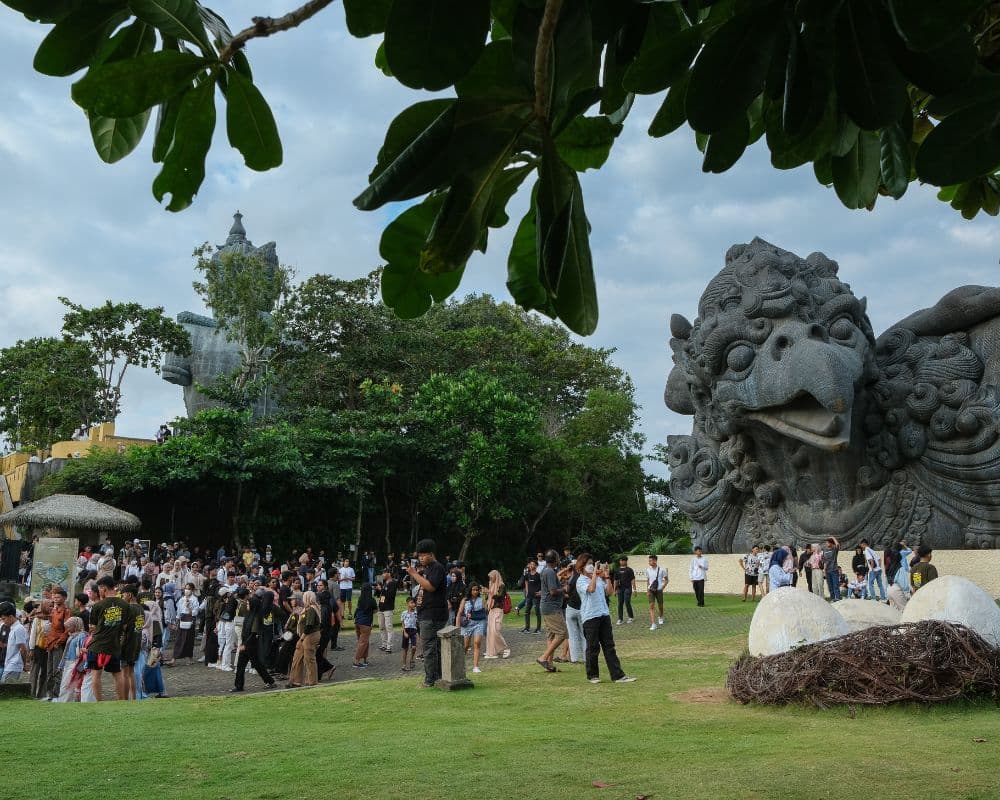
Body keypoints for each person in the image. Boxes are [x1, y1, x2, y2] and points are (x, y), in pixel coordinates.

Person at [577, 554, 635, 684]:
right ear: (582, 566)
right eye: (589, 563)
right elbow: (591, 589)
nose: (591, 565)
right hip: (590, 616)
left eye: (592, 563)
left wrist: (607, 576)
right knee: (593, 647)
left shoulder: (598, 578)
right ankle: (592, 675)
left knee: (609, 646)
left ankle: (617, 675)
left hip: (603, 614)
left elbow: (609, 592)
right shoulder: (581, 581)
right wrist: (595, 574)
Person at [405, 539, 449, 687]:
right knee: (433, 647)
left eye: (423, 555)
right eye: (419, 556)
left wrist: (414, 574)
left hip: (433, 615)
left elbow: (430, 587)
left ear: (431, 554)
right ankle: (437, 676)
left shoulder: (437, 568)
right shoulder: (428, 569)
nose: (421, 558)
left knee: (430, 648)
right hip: (426, 614)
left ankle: (430, 679)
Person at [86, 575, 135, 701]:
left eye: (99, 589)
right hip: (114, 645)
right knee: (117, 674)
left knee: (96, 674)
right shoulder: (125, 605)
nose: (99, 592)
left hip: (97, 645)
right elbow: (125, 626)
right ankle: (121, 700)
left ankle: (99, 702)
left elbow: (92, 628)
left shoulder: (98, 606)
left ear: (104, 588)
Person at [230, 587, 277, 692]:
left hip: (251, 645)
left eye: (248, 604)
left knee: (256, 665)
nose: (247, 605)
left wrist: (244, 644)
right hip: (247, 643)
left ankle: (269, 681)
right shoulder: (249, 615)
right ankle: (239, 685)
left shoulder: (255, 617)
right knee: (244, 665)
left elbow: (253, 633)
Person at [536, 549, 567, 673]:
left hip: (547, 606)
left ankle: (549, 664)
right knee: (562, 633)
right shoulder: (549, 572)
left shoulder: (546, 570)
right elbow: (553, 591)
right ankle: (543, 658)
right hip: (551, 608)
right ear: (556, 560)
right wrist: (564, 589)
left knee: (551, 635)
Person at [288, 590, 323, 687]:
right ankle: (296, 680)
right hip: (306, 635)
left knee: (309, 658)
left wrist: (301, 639)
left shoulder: (311, 609)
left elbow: (309, 626)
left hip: (309, 635)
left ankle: (312, 681)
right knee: (297, 657)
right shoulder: (307, 609)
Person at [457, 583, 487, 674]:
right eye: (473, 590)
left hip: (479, 622)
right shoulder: (465, 600)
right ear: (470, 590)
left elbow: (486, 610)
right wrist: (457, 626)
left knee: (477, 643)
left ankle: (476, 666)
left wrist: (487, 595)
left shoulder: (481, 600)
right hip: (467, 624)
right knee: (465, 646)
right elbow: (459, 613)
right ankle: (460, 664)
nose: (475, 592)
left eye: (477, 590)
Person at [55, 616, 86, 702]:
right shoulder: (71, 636)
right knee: (65, 684)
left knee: (69, 684)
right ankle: (63, 700)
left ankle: (66, 701)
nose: (67, 629)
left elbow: (82, 651)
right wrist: (61, 665)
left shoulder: (81, 636)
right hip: (68, 662)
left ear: (75, 626)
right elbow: (66, 653)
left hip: (75, 662)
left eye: (68, 627)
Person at [484, 569, 511, 660]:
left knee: (496, 631)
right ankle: (492, 651)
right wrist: (487, 593)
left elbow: (500, 597)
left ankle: (505, 648)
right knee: (490, 632)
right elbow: (488, 598)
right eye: (489, 577)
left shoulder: (501, 585)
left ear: (496, 576)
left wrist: (490, 592)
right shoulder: (491, 584)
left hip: (498, 610)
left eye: (491, 577)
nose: (490, 579)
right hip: (491, 610)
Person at [563, 557, 585, 664]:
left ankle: (574, 658)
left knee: (572, 635)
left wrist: (567, 572)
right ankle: (586, 657)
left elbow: (567, 591)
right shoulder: (584, 577)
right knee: (584, 635)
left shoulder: (572, 578)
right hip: (582, 609)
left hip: (571, 608)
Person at [0, 603, 28, 683]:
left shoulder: (18, 629)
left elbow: (23, 649)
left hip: (14, 665)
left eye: (4, 619)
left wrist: (24, 664)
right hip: (9, 664)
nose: (3, 621)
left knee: (6, 688)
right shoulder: (12, 628)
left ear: (11, 617)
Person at [173, 582, 199, 664]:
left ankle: (189, 658)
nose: (187, 590)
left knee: (189, 639)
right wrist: (176, 621)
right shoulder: (182, 599)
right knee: (179, 639)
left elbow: (195, 612)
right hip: (182, 618)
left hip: (190, 619)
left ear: (192, 590)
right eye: (186, 588)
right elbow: (179, 611)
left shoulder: (194, 599)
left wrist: (189, 607)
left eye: (189, 589)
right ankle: (174, 658)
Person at [352, 583, 376, 669]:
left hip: (358, 621)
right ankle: (356, 661)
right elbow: (375, 610)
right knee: (363, 642)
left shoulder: (360, 599)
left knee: (363, 641)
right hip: (366, 623)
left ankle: (365, 659)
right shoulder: (372, 600)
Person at [376, 570, 397, 654]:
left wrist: (381, 589)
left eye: (384, 573)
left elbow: (390, 595)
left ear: (389, 573)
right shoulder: (384, 582)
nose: (382, 575)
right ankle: (384, 644)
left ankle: (389, 646)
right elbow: (381, 595)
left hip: (388, 608)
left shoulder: (393, 583)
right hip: (381, 607)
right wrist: (378, 590)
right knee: (381, 627)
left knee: (389, 627)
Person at [519, 560, 542, 633]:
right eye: (530, 564)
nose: (531, 566)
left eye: (533, 564)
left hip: (536, 596)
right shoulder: (527, 574)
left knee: (537, 612)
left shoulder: (539, 575)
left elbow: (543, 584)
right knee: (526, 612)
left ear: (536, 566)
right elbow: (526, 581)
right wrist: (527, 591)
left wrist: (541, 591)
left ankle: (538, 629)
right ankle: (527, 628)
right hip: (529, 596)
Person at [645, 555, 667, 630]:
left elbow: (667, 579)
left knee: (660, 605)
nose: (649, 562)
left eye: (651, 560)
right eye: (649, 560)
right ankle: (653, 623)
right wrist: (647, 590)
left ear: (655, 561)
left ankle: (661, 616)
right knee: (651, 606)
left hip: (659, 590)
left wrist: (663, 587)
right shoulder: (648, 570)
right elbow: (648, 581)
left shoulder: (662, 570)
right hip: (651, 590)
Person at [613, 556, 636, 625]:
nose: (622, 561)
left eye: (623, 560)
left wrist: (634, 589)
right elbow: (615, 580)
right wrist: (614, 590)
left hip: (628, 588)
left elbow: (633, 580)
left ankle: (631, 617)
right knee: (620, 603)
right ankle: (620, 619)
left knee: (627, 602)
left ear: (626, 561)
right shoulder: (617, 570)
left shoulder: (629, 570)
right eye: (621, 560)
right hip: (620, 589)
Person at [822, 537, 841, 601]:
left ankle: (838, 598)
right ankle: (832, 598)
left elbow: (837, 544)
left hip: (834, 570)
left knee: (836, 585)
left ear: (831, 543)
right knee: (830, 586)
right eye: (826, 542)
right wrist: (824, 571)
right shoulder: (825, 550)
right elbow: (824, 561)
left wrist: (833, 537)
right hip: (827, 571)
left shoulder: (834, 549)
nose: (826, 543)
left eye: (827, 542)